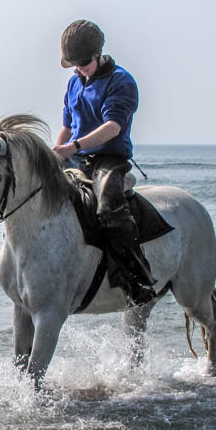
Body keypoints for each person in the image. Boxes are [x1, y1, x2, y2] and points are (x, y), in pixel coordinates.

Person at [51, 19, 156, 306]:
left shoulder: (121, 81)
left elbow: (112, 127)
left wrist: (73, 146)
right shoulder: (74, 82)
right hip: (75, 154)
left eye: (83, 63)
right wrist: (56, 150)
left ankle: (137, 280)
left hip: (109, 158)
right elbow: (68, 124)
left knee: (109, 208)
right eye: (74, 64)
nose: (78, 68)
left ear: (98, 54)